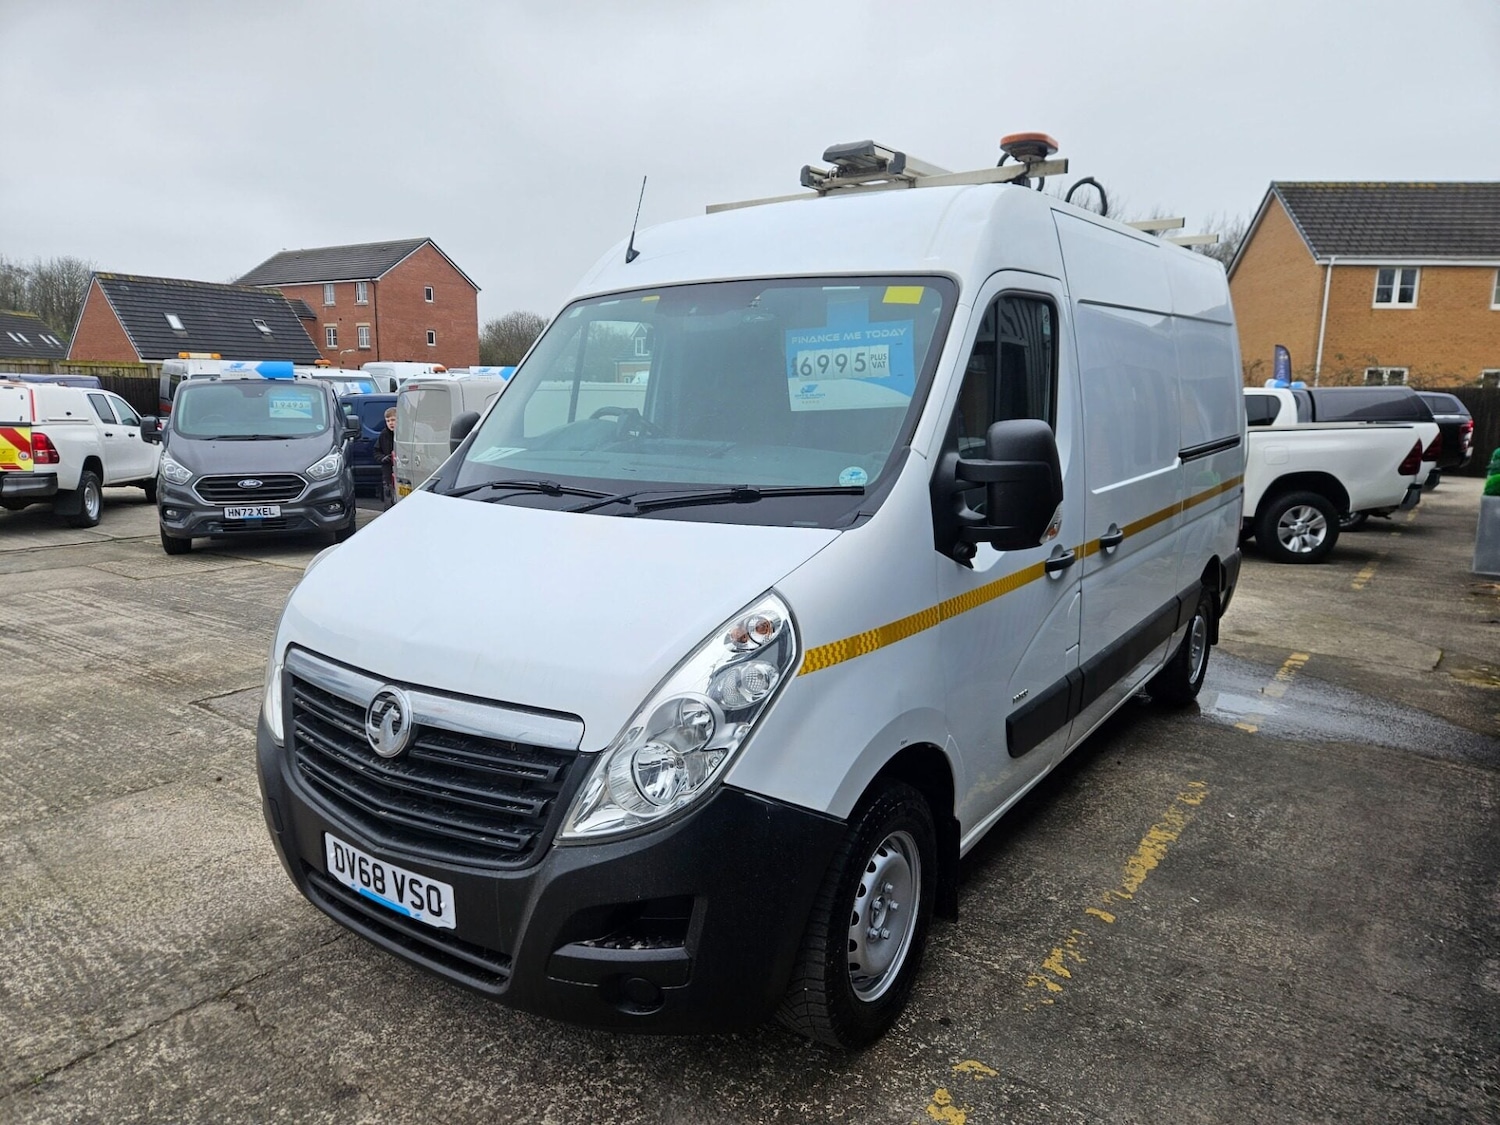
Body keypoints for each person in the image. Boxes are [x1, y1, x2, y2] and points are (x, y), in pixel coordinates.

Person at [375, 407, 397, 509]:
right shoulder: (384, 434)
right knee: (389, 502)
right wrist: (383, 458)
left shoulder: (404, 433)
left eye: (393, 420)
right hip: (388, 473)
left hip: (401, 472)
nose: (390, 423)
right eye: (388, 421)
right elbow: (376, 452)